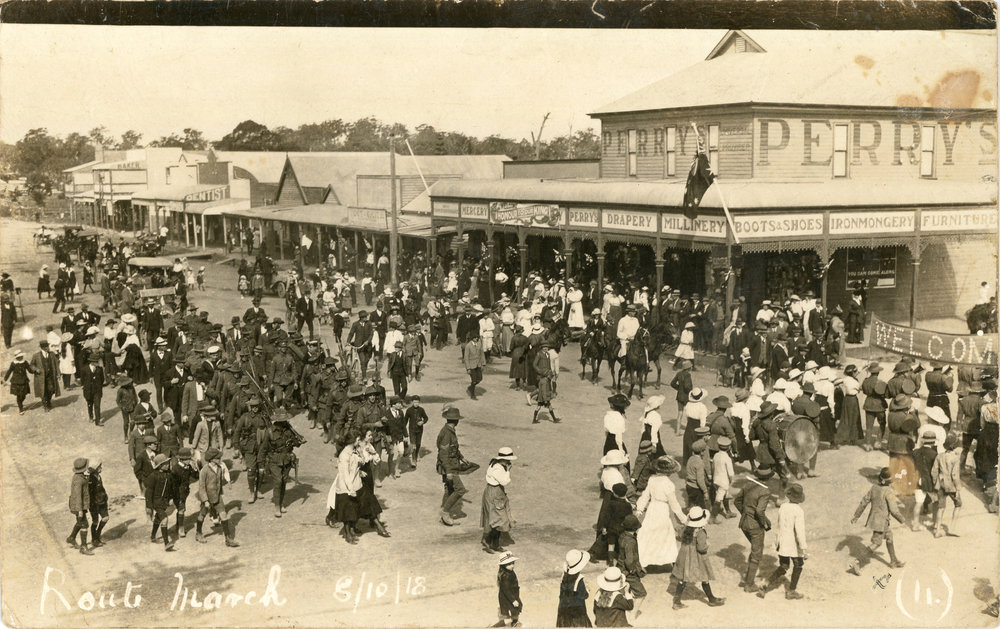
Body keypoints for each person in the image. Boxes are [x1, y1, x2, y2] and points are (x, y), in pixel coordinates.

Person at [848, 467, 905, 575]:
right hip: (881, 523)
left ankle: (893, 560)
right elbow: (894, 510)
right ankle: (857, 561)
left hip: (875, 520)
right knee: (876, 543)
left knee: (889, 537)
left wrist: (856, 515)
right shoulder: (888, 491)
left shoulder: (874, 487)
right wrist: (902, 519)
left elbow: (864, 501)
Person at [758, 483, 807, 599]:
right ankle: (791, 591)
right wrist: (803, 547)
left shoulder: (783, 507)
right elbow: (799, 531)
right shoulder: (799, 511)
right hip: (793, 544)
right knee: (798, 565)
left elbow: (779, 524)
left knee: (784, 566)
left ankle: (766, 583)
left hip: (782, 541)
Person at [635, 455, 684, 569]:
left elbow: (645, 495)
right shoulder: (668, 484)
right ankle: (670, 559)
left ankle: (645, 560)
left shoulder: (652, 479)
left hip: (652, 509)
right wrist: (683, 518)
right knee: (665, 534)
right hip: (662, 510)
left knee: (649, 533)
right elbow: (674, 504)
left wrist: (639, 509)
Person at [672, 506, 725, 609]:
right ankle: (711, 599)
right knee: (704, 577)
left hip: (684, 554)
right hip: (696, 556)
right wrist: (707, 545)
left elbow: (680, 533)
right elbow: (701, 548)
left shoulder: (686, 528)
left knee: (683, 578)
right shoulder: (701, 531)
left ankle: (676, 601)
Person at [735, 464, 774, 593]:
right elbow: (759, 511)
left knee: (755, 549)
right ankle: (749, 584)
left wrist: (745, 514)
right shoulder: (765, 491)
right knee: (757, 553)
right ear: (769, 477)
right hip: (755, 526)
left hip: (744, 523)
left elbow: (737, 501)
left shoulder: (748, 484)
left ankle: (748, 577)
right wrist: (764, 523)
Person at [262, 409, 303, 518]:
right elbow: (263, 448)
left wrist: (298, 441)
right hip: (274, 460)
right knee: (278, 481)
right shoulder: (270, 431)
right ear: (277, 421)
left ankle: (281, 503)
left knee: (284, 482)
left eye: (285, 420)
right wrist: (261, 464)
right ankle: (277, 506)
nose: (284, 422)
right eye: (282, 421)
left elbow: (296, 443)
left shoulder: (289, 430)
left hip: (286, 459)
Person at [195, 447, 240, 547]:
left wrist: (220, 493)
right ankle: (198, 533)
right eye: (217, 458)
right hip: (207, 498)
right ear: (211, 459)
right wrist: (205, 500)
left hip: (217, 496)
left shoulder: (220, 468)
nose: (220, 459)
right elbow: (201, 487)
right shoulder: (204, 471)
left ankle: (228, 539)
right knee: (202, 515)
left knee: (223, 515)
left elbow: (219, 483)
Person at [437, 404, 469, 526]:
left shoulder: (449, 431)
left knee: (449, 489)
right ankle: (445, 512)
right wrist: (449, 471)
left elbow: (453, 449)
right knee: (460, 489)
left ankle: (445, 515)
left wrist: (461, 457)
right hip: (449, 466)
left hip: (451, 464)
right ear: (456, 421)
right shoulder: (447, 433)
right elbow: (443, 454)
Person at [482, 447, 517, 553]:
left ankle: (493, 543)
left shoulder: (495, 464)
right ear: (503, 459)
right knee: (500, 519)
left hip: (494, 492)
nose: (509, 462)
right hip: (495, 493)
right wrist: (508, 470)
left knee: (495, 519)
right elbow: (505, 481)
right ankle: (489, 541)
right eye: (508, 460)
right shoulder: (499, 469)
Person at [932, 433, 962, 538]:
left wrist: (936, 483)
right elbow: (955, 475)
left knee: (941, 507)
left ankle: (937, 530)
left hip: (940, 484)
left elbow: (934, 471)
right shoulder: (956, 458)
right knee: (958, 504)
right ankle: (953, 528)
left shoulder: (939, 456)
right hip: (951, 486)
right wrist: (958, 488)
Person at [144, 453, 176, 551]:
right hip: (156, 502)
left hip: (164, 502)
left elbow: (171, 489)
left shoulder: (169, 475)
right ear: (159, 466)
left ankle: (153, 536)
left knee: (158, 518)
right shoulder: (153, 476)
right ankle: (167, 543)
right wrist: (149, 506)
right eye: (165, 464)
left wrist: (171, 498)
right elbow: (148, 492)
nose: (167, 465)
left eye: (168, 463)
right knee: (164, 519)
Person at [617, 515, 646, 622]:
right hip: (629, 571)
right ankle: (632, 615)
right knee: (641, 593)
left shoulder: (622, 536)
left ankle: (626, 610)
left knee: (626, 590)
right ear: (635, 528)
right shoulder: (631, 541)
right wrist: (633, 570)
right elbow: (629, 560)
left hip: (620, 568)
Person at [557, 549, 593, 627]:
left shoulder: (564, 576)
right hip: (577, 612)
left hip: (563, 609)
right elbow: (584, 595)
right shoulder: (579, 580)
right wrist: (587, 590)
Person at [711, 437, 737, 523]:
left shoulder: (716, 455)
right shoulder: (727, 458)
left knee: (725, 495)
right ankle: (713, 517)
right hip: (724, 482)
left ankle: (728, 512)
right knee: (718, 499)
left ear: (718, 446)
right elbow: (730, 473)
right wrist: (730, 481)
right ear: (729, 447)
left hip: (716, 479)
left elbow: (713, 467)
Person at [494, 552, 522, 628]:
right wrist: (513, 600)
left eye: (513, 563)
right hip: (508, 597)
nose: (512, 565)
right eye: (509, 564)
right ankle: (508, 623)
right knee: (513, 610)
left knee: (515, 610)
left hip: (512, 594)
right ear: (503, 565)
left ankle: (513, 622)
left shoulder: (509, 571)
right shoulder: (505, 576)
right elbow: (506, 590)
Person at [30, 341, 60, 411]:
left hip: (51, 376)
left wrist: (58, 373)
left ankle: (48, 401)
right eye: (46, 346)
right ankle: (45, 405)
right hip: (41, 377)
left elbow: (56, 364)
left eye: (48, 346)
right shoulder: (36, 355)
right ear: (43, 347)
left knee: (51, 390)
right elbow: (31, 365)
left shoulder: (52, 354)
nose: (48, 347)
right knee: (43, 391)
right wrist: (36, 369)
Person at [4, 350, 36, 414]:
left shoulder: (25, 362)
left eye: (22, 356)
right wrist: (5, 379)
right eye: (20, 356)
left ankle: (20, 403)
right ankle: (20, 408)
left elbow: (29, 370)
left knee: (24, 395)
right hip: (16, 382)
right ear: (17, 357)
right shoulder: (13, 363)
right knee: (19, 395)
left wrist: (35, 371)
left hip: (24, 381)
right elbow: (9, 371)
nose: (21, 357)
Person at [87, 459, 109, 548]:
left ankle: (97, 534)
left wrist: (105, 496)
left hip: (102, 502)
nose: (101, 468)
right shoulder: (91, 480)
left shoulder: (99, 477)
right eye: (99, 467)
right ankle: (94, 539)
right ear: (95, 469)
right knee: (95, 521)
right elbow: (90, 494)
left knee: (105, 518)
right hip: (94, 504)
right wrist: (93, 504)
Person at [80, 353, 105, 424]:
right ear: (92, 362)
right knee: (90, 404)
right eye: (96, 361)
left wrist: (98, 386)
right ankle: (91, 416)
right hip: (88, 391)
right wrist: (85, 386)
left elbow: (102, 379)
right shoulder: (84, 369)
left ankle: (98, 421)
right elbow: (82, 380)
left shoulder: (100, 369)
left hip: (97, 391)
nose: (98, 363)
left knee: (97, 405)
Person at [464, 332, 487, 400]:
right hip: (471, 366)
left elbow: (482, 354)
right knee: (474, 380)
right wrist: (468, 368)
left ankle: (471, 387)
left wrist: (483, 363)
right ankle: (472, 394)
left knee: (479, 378)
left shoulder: (479, 344)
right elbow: (466, 358)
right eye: (475, 338)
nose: (476, 339)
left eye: (477, 338)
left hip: (478, 364)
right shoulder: (468, 346)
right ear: (472, 338)